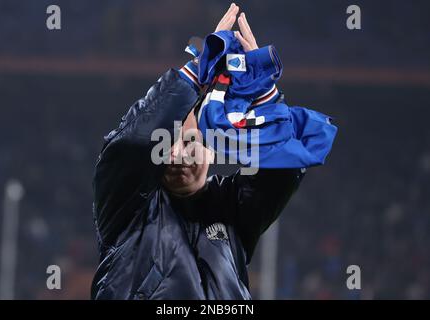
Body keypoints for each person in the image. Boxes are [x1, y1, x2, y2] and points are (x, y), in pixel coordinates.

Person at [91, 4, 322, 300]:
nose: (174, 155)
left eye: (188, 142)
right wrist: (198, 71)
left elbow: (285, 170)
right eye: (164, 143)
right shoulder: (126, 203)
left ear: (212, 147)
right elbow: (133, 140)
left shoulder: (233, 209)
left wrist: (265, 95)